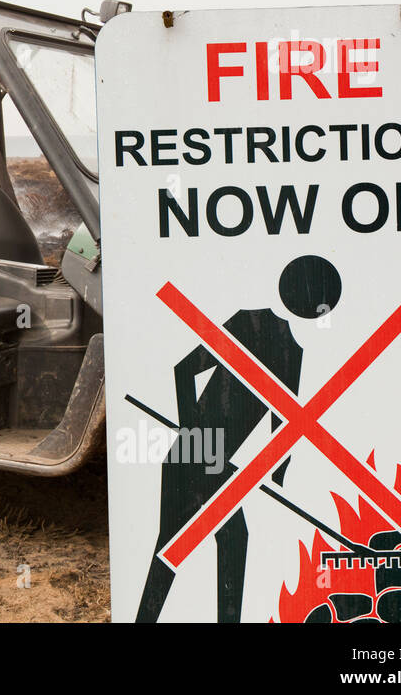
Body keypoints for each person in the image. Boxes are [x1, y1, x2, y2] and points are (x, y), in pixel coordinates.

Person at [136, 254, 341, 622]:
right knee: (174, 548)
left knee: (226, 542)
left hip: (222, 465)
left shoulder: (293, 353)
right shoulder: (248, 321)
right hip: (191, 454)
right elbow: (184, 369)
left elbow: (285, 426)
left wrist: (277, 473)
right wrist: (194, 433)